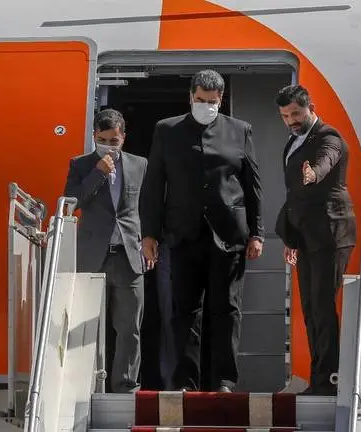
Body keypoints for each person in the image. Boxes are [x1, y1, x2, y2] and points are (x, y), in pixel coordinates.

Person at [140, 69, 265, 392]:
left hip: (229, 235)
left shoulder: (239, 130)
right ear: (190, 96)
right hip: (183, 233)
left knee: (227, 309)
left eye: (211, 101)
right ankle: (186, 381)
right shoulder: (167, 130)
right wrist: (149, 233)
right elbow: (154, 185)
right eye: (200, 99)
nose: (205, 105)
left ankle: (224, 379)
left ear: (221, 99)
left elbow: (252, 185)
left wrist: (257, 232)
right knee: (185, 310)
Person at [274, 85, 357, 396]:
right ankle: (319, 377)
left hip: (331, 232)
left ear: (311, 108)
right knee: (310, 307)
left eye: (296, 113)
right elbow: (295, 197)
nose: (291, 121)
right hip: (306, 235)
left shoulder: (328, 136)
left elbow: (327, 159)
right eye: (285, 116)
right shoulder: (293, 142)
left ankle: (329, 379)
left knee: (322, 305)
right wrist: (290, 237)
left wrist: (314, 174)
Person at [63, 108, 149, 393]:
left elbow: (147, 207)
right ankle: (86, 386)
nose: (109, 146)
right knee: (88, 326)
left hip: (128, 256)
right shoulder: (80, 165)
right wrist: (98, 173)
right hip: (93, 256)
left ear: (123, 138)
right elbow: (72, 201)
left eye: (114, 141)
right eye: (103, 140)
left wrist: (149, 241)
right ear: (94, 136)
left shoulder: (140, 165)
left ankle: (125, 387)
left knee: (129, 328)